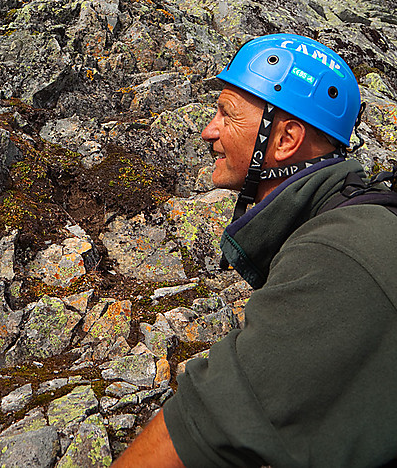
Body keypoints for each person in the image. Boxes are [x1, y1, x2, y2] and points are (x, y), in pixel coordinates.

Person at [112, 34, 397, 467]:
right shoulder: (348, 223)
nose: (209, 130)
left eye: (227, 113)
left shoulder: (334, 253)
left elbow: (206, 426)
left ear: (285, 140)